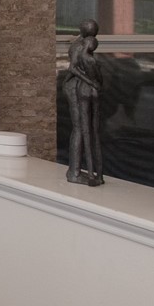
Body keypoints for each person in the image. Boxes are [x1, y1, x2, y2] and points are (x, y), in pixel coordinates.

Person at [63, 19, 105, 186]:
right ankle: (74, 173)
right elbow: (72, 68)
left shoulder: (85, 44)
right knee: (79, 128)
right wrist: (91, 81)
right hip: (75, 87)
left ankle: (79, 170)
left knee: (83, 128)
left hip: (81, 86)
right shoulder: (79, 46)